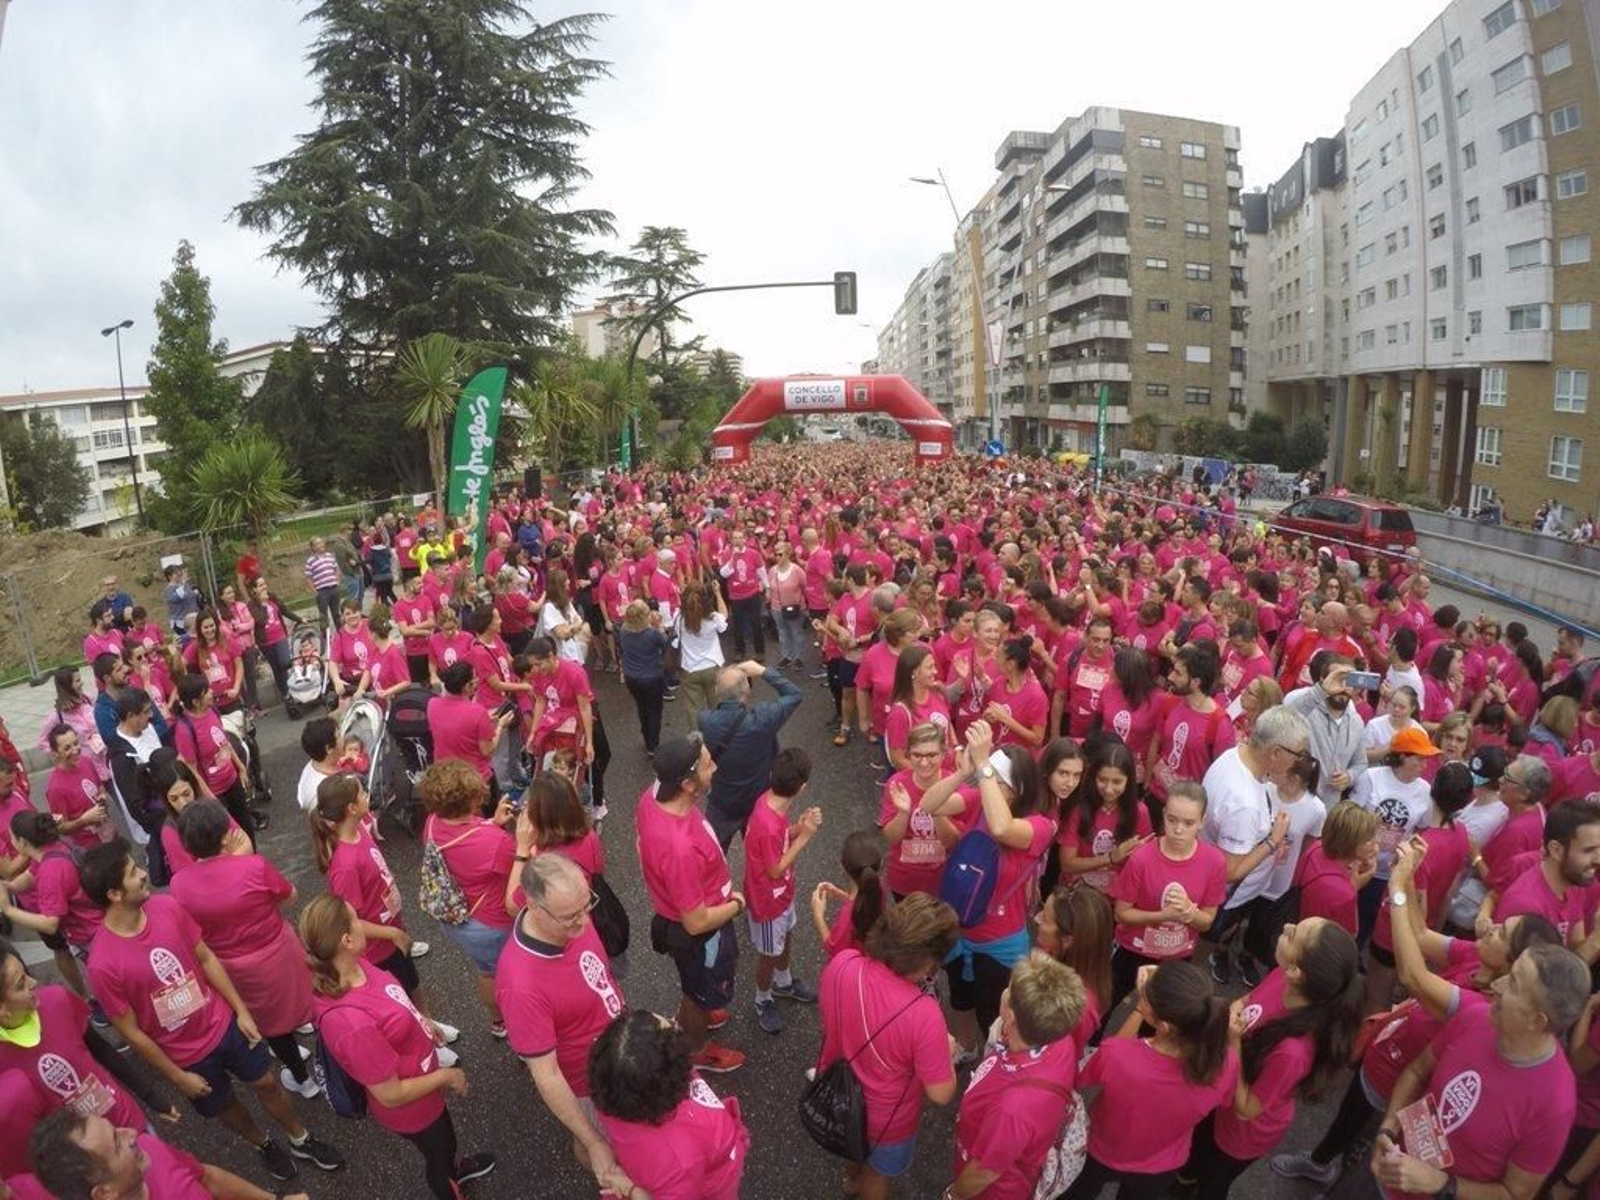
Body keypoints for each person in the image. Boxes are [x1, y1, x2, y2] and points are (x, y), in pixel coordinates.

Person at [79, 841, 343, 1184]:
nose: (144, 874)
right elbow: (131, 1032)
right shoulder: (103, 964)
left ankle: (300, 1138)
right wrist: (177, 1076)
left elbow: (204, 957)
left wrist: (241, 1011)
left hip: (223, 1025)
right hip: (187, 1056)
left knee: (266, 1081)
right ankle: (263, 1144)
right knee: (225, 1105)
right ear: (114, 894)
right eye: (132, 873)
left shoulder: (167, 908)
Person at [299, 895, 494, 1199]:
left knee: (445, 1144)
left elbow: (390, 1004)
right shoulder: (351, 1023)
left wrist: (422, 1024)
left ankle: (453, 1171)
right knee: (440, 1152)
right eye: (356, 919)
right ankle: (450, 1184)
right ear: (347, 940)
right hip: (413, 1107)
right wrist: (447, 1077)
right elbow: (390, 1094)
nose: (365, 923)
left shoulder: (353, 965)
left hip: (422, 1080)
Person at [1370, 942, 1586, 1200]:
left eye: (1514, 984)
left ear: (1537, 1021)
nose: (1497, 985)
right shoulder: (1475, 1017)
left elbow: (1515, 1194)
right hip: (1385, 1174)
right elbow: (1416, 1072)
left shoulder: (1555, 1103)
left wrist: (1442, 1184)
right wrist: (1389, 1128)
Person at [1179, 918, 1363, 1200]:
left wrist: (1232, 1042)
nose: (1287, 926)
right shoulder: (1282, 976)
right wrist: (1228, 1014)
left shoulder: (1293, 1052)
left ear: (1296, 971)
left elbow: (1247, 1108)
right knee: (1194, 1156)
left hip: (1239, 1133)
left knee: (1213, 1183)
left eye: (1293, 935)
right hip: (1221, 1098)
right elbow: (1247, 1001)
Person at [495, 852, 629, 1193]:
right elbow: (547, 1074)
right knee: (603, 1146)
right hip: (589, 1081)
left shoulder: (572, 917)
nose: (584, 923)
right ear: (534, 906)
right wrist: (592, 1141)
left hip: (619, 1049)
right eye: (570, 917)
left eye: (587, 906)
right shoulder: (520, 985)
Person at [924, 720, 1056, 1062]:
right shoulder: (981, 799)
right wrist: (962, 772)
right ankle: (968, 1048)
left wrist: (984, 766)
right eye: (990, 780)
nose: (990, 787)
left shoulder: (1039, 826)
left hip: (1000, 940)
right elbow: (930, 804)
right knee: (961, 999)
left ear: (1018, 789)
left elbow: (1001, 827)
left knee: (994, 1012)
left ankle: (992, 1061)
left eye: (999, 782)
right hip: (960, 927)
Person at [168, 800, 319, 1099]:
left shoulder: (179, 885)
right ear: (225, 836)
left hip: (233, 969)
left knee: (272, 1027)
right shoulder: (254, 866)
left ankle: (303, 1079)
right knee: (313, 1004)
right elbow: (290, 896)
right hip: (279, 951)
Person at [815, 893, 960, 1199]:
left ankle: (850, 1178)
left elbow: (829, 1019)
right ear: (928, 962)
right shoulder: (925, 1015)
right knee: (877, 1175)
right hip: (887, 1120)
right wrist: (948, 1051)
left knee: (852, 1146)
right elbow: (941, 1093)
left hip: (840, 1097)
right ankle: (862, 1184)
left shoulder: (844, 963)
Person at [1065, 960, 1238, 1200]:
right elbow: (1228, 1101)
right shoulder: (1227, 1063)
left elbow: (1090, 1072)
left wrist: (1137, 1009)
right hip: (1162, 1164)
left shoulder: (1119, 1055)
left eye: (1146, 999)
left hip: (1099, 1150)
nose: (1142, 999)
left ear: (1164, 1026)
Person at [635, 734, 747, 1074]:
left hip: (682, 912)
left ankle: (698, 1005)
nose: (715, 768)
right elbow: (697, 922)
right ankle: (697, 1049)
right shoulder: (679, 850)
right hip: (703, 931)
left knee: (697, 983)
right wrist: (738, 904)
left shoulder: (653, 794)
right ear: (686, 783)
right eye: (709, 764)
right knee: (700, 991)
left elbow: (641, 848)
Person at [948, 955, 1089, 1199]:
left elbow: (984, 1172)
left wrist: (952, 1195)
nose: (1003, 991)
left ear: (1011, 1016)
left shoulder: (1013, 1109)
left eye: (1008, 989)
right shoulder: (1060, 1042)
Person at [587, 1009, 749, 1200]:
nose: (674, 1023)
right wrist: (632, 1190)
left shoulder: (609, 1085)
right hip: (712, 1180)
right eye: (670, 1029)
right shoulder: (680, 1160)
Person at [1200, 707, 1309, 986]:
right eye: (1296, 755)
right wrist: (1273, 840)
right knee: (1209, 943)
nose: (1297, 763)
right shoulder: (1244, 804)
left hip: (1211, 879)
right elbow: (1231, 871)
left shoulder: (1234, 755)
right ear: (1275, 753)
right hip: (1224, 897)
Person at [1108, 781, 1228, 1017]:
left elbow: (1207, 922)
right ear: (1163, 815)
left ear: (1202, 821)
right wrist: (1164, 916)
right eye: (1172, 820)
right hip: (1134, 948)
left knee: (1162, 1014)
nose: (1178, 830)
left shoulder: (1214, 862)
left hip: (1179, 954)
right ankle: (1091, 1047)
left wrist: (1189, 913)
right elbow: (1121, 913)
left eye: (1188, 823)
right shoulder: (1141, 859)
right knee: (1109, 999)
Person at [418, 759, 517, 1035]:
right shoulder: (494, 842)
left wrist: (491, 823)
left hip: (457, 916)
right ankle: (519, 1023)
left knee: (487, 972)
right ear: (471, 798)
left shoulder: (432, 823)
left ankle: (498, 1022)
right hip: (491, 923)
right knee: (510, 976)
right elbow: (520, 874)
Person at [29, 1110, 311, 1200]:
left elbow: (208, 1178)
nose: (131, 1133)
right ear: (104, 1192)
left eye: (115, 1128)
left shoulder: (149, 1148)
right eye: (116, 1142)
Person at [742, 747, 823, 1034]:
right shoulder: (766, 822)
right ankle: (762, 998)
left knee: (785, 937)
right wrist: (807, 837)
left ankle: (784, 981)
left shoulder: (769, 805)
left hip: (782, 895)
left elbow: (776, 843)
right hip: (767, 902)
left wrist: (797, 828)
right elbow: (774, 869)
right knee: (768, 952)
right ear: (801, 787)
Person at [697, 659, 803, 850]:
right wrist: (763, 671)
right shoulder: (763, 720)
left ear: (717, 692)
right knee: (763, 856)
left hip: (722, 802)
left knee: (713, 854)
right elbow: (794, 694)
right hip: (758, 801)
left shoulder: (705, 720)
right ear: (746, 691)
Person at [1495, 796, 1600, 939]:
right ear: (1556, 850)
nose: (1598, 859)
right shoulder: (1527, 909)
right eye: (1588, 850)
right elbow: (1551, 962)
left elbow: (1574, 952)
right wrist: (1596, 941)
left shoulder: (1574, 883)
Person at [1284, 655, 1368, 806]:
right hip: (1290, 802)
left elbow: (1361, 763)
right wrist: (1321, 691)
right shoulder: (1306, 705)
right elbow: (1283, 722)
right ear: (1323, 680)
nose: (1343, 687)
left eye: (1348, 680)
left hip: (1325, 812)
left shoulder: (1356, 722)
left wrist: (1349, 777)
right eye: (1337, 679)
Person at [1293, 799, 1380, 935]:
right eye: (1369, 839)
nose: (1376, 842)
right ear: (1352, 844)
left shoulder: (1317, 847)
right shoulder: (1343, 893)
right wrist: (1354, 888)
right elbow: (1351, 934)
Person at [811, 828, 890, 960]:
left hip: (854, 968)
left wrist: (818, 915)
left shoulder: (847, 917)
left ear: (842, 866)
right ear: (880, 863)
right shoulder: (878, 887)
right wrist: (842, 895)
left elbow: (835, 949)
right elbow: (865, 902)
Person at [617, 598, 671, 754]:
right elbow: (666, 643)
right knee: (654, 710)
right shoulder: (652, 634)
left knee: (642, 708)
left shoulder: (623, 631)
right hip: (652, 677)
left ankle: (647, 738)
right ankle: (653, 745)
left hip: (631, 677)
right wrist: (659, 626)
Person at [673, 581, 729, 728]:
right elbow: (724, 618)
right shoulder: (713, 617)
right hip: (713, 667)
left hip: (690, 669)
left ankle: (697, 745)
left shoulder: (679, 618)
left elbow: (676, 637)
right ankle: (718, 742)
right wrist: (717, 593)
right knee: (717, 708)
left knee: (694, 711)